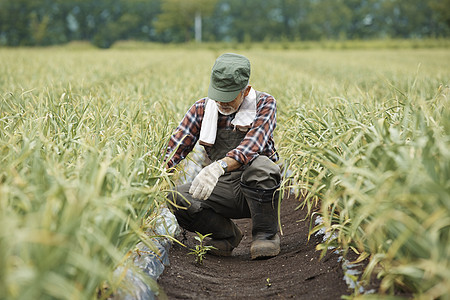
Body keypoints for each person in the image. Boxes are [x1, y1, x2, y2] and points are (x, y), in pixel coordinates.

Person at [165, 53, 281, 260]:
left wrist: (217, 167)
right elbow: (175, 148)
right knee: (176, 197)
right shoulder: (202, 108)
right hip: (225, 186)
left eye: (228, 97)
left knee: (263, 166)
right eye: (218, 94)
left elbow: (251, 146)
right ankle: (225, 236)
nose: (221, 102)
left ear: (245, 91)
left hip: (258, 186)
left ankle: (266, 234)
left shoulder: (264, 104)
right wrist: (154, 175)